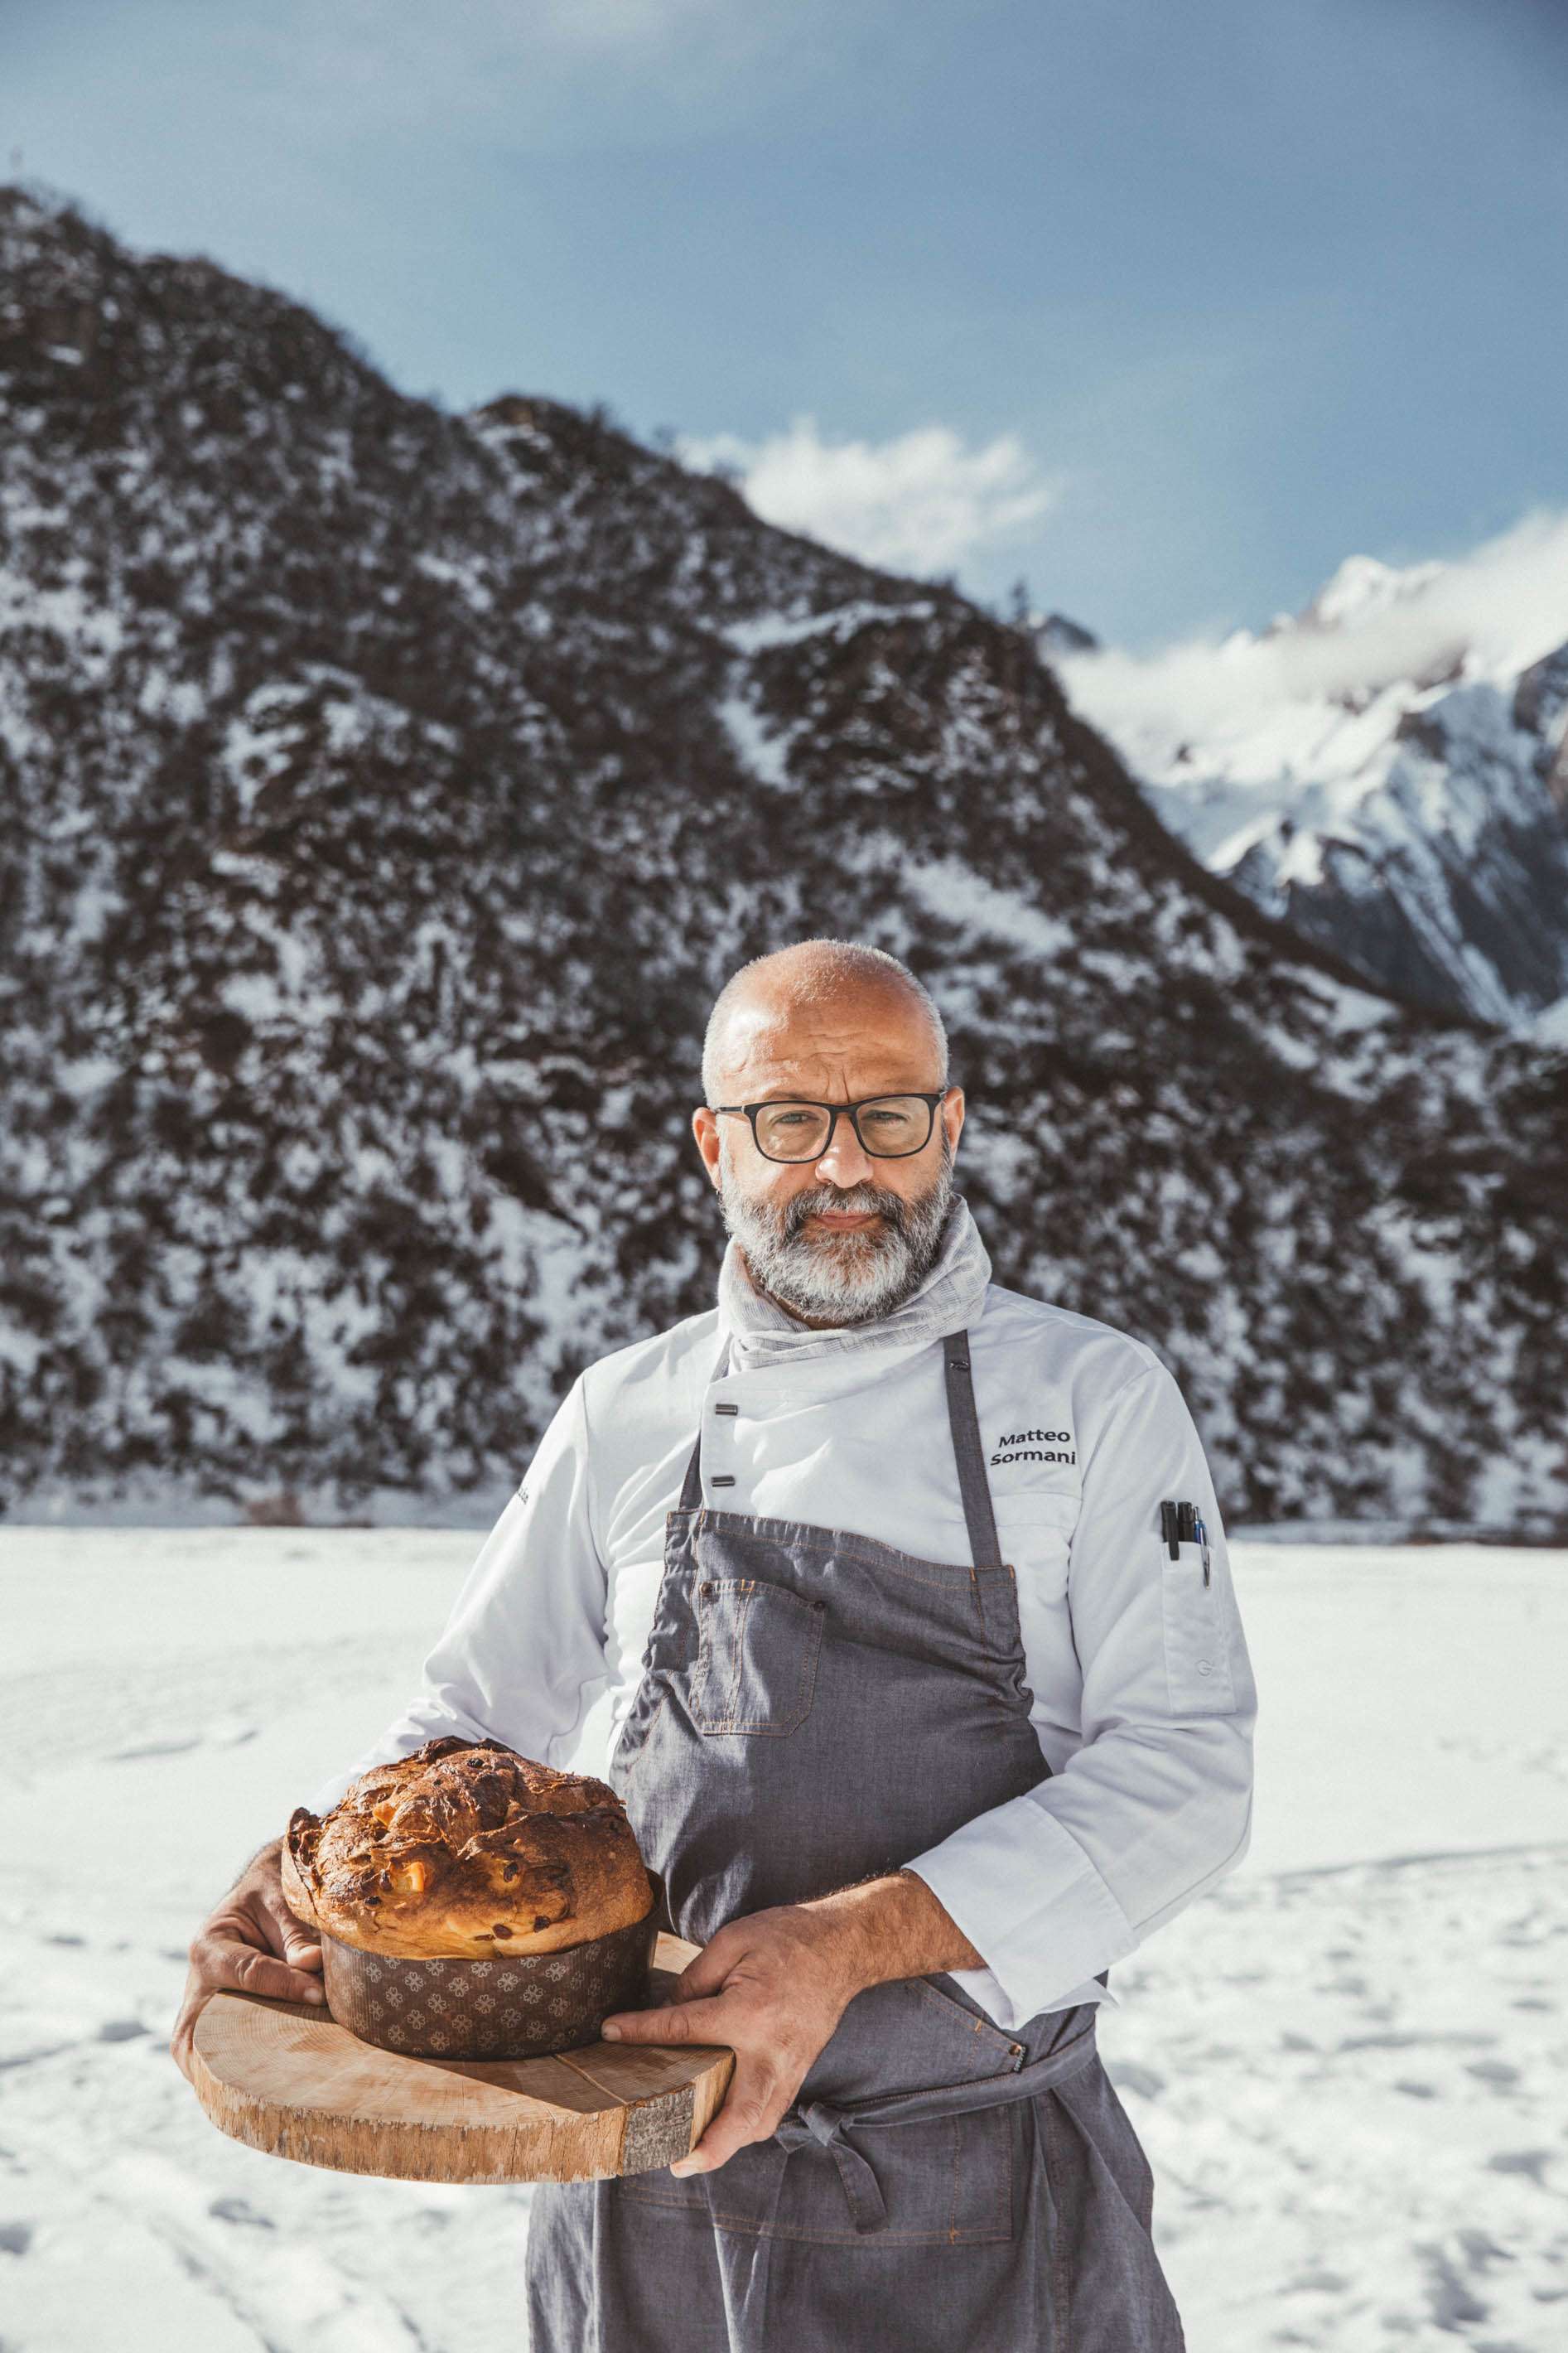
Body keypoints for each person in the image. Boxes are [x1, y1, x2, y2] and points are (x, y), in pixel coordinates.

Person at [173, 937, 1257, 2351]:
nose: (845, 1169)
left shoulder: (1093, 1395)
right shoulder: (628, 1409)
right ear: (714, 1144)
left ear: (951, 1125)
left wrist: (845, 1944)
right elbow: (468, 1722)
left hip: (969, 2180)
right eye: (790, 1121)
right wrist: (316, 1883)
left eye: (887, 1118)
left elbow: (1185, 1777)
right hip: (635, 2161)